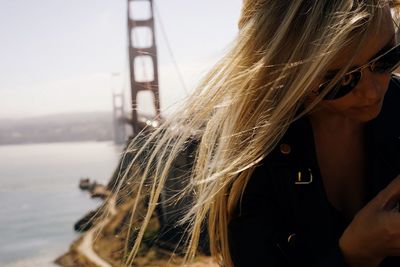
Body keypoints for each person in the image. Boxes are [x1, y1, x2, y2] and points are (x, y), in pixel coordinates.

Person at [119, 1, 400, 266]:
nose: (373, 91)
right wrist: (353, 256)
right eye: (341, 80)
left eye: (387, 59)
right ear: (283, 68)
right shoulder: (249, 160)